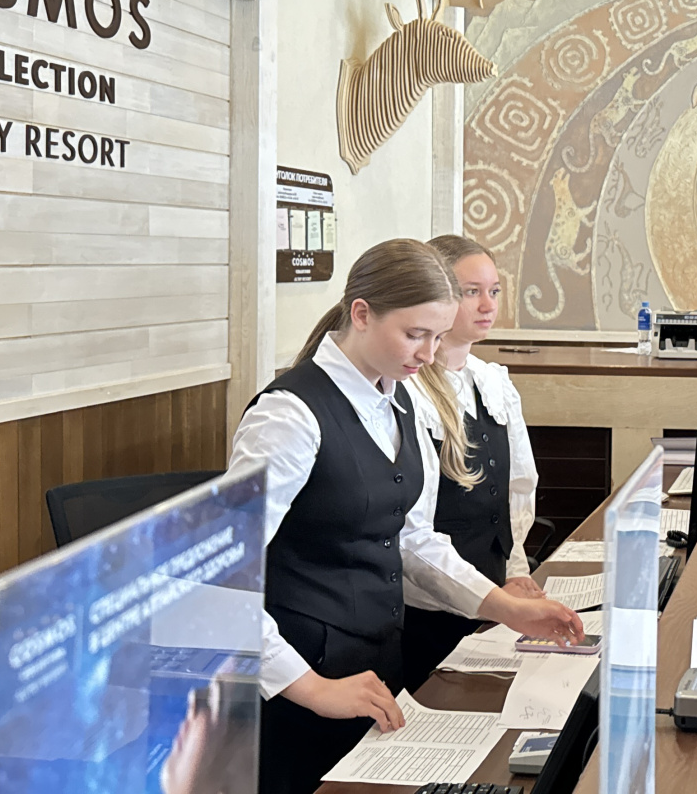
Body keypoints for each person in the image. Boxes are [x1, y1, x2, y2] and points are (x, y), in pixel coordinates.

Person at [225, 239, 583, 794]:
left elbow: (413, 539)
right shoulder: (289, 416)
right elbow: (222, 575)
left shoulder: (399, 398)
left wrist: (505, 607)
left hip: (377, 663)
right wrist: (309, 686)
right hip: (301, 683)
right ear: (361, 314)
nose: (429, 354)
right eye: (415, 334)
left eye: (438, 337)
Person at [399, 234, 554, 694]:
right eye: (472, 292)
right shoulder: (409, 392)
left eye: (494, 291)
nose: (488, 305)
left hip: (494, 601)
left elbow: (518, 492)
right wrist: (494, 598)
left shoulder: (492, 382)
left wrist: (515, 571)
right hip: (429, 609)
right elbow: (412, 533)